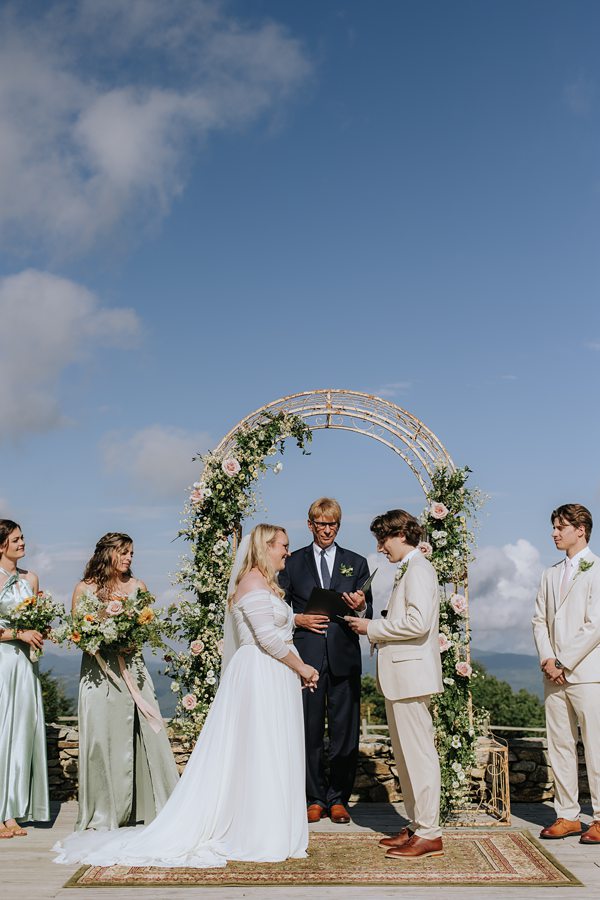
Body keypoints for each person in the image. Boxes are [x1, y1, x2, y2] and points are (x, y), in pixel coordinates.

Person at [54, 524, 319, 867]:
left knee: (268, 748)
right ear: (266, 546)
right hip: (261, 673)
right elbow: (267, 638)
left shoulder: (264, 583)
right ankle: (257, 829)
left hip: (271, 675)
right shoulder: (253, 582)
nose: (287, 551)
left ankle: (267, 823)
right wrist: (303, 667)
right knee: (260, 748)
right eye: (283, 545)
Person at [346, 508, 444, 859]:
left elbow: (417, 623)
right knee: (406, 758)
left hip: (412, 677)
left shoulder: (419, 570)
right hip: (402, 677)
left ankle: (430, 832)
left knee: (419, 756)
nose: (380, 547)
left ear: (402, 535)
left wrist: (370, 628)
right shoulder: (409, 570)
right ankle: (418, 825)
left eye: (383, 539)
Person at [71, 533, 179, 831]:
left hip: (132, 669)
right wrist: (101, 633)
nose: (130, 558)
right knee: (100, 737)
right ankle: (105, 810)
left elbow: (146, 626)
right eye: (124, 552)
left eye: (132, 553)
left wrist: (131, 638)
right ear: (108, 554)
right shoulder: (85, 589)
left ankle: (155, 806)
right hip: (99, 672)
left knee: (149, 729)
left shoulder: (138, 587)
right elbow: (78, 635)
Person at [279, 497, 372, 825]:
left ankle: (338, 799)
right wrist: (298, 619)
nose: (327, 530)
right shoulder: (292, 563)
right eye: (321, 524)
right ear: (310, 525)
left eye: (332, 524)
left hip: (344, 657)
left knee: (345, 733)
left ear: (339, 526)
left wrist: (360, 606)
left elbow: (368, 613)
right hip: (306, 658)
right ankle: (313, 797)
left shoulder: (357, 562)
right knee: (309, 729)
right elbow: (277, 609)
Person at [532, 503, 600, 845]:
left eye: (560, 527)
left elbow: (595, 625)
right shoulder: (549, 573)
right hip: (552, 674)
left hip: (587, 674)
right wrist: (548, 658)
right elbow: (539, 621)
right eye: (554, 526)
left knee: (596, 746)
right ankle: (568, 816)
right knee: (559, 745)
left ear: (581, 530)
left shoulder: (598, 570)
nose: (554, 533)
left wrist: (564, 661)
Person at [0, 519, 49, 838]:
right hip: (3, 664)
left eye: (23, 538)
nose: (23, 543)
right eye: (16, 539)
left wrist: (42, 628)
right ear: (1, 544)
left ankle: (13, 812)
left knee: (21, 733)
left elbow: (36, 619)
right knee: (2, 733)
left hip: (26, 665)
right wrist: (20, 632)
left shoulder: (30, 578)